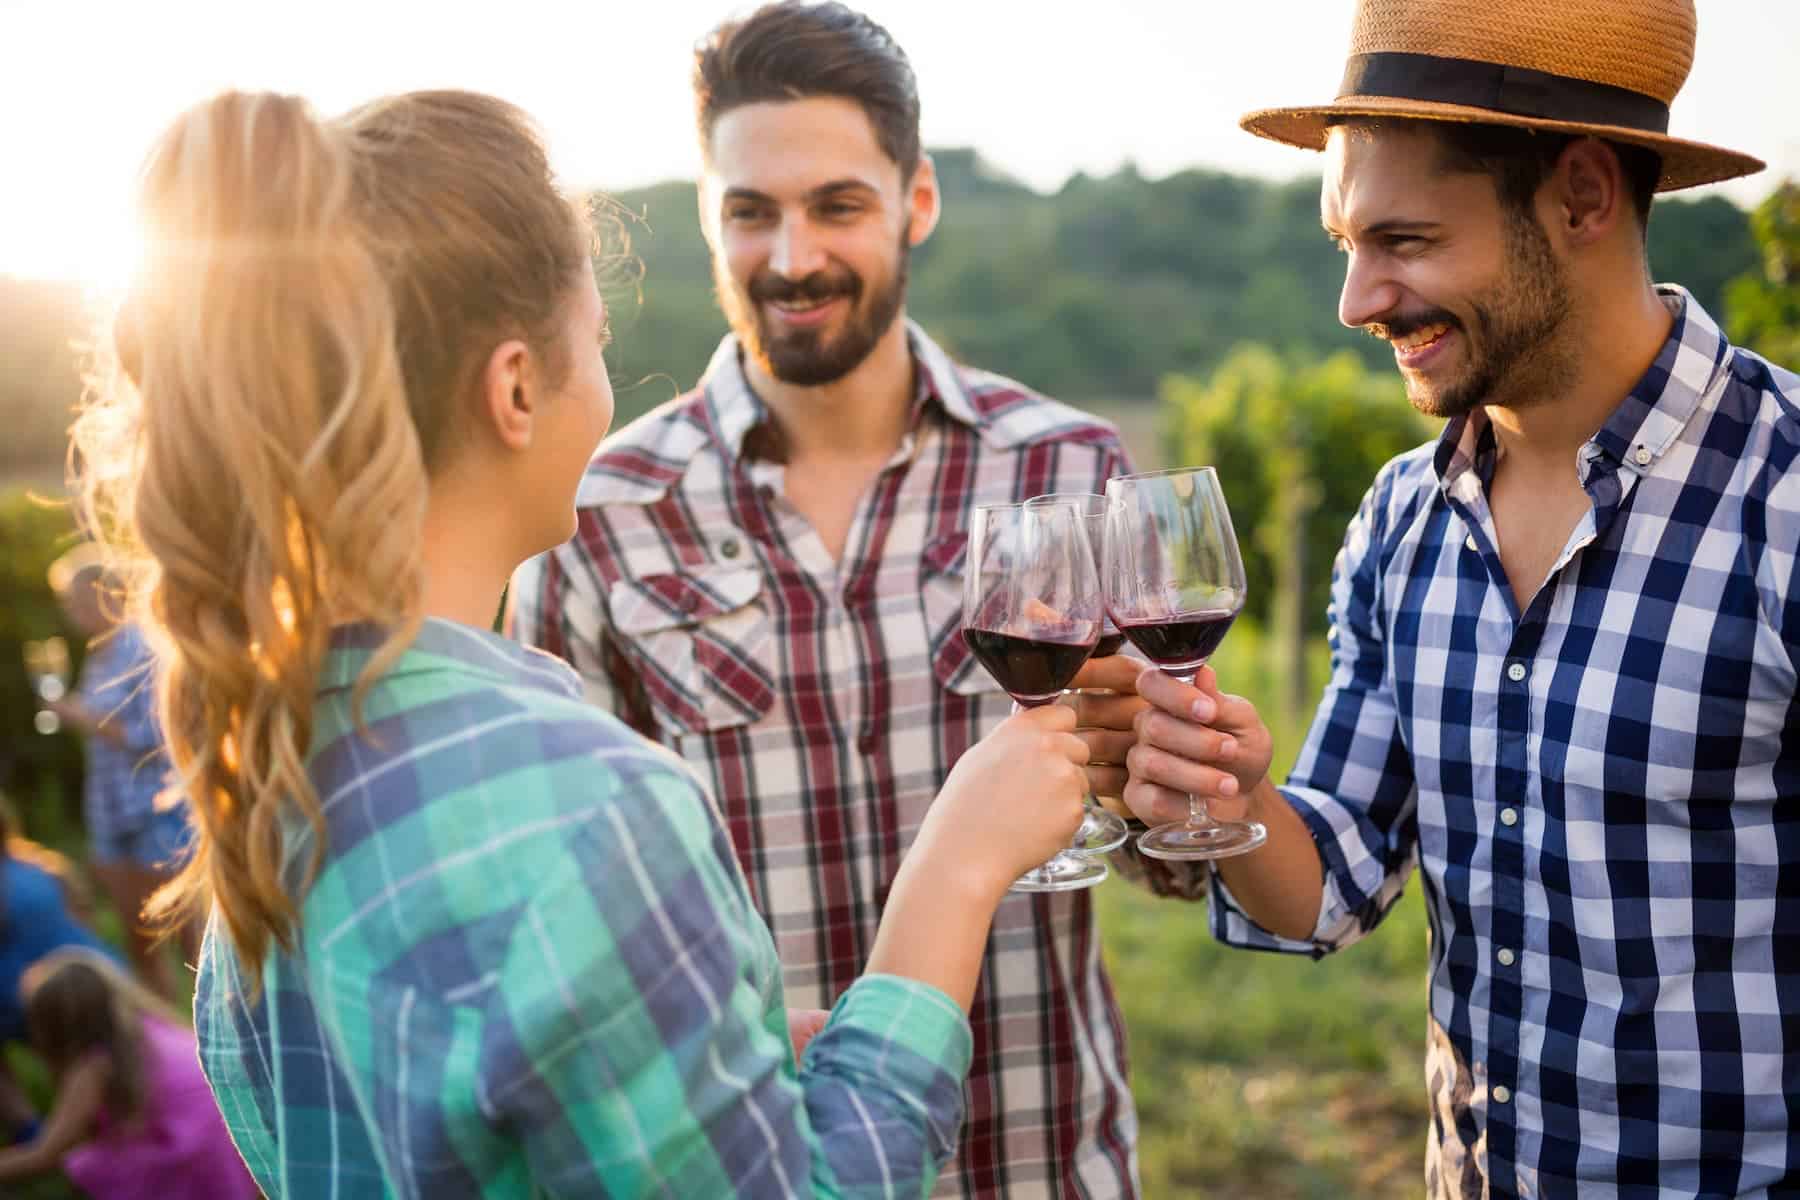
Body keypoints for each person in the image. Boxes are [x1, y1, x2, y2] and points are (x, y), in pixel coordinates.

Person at [76, 86, 1090, 1198]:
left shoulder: (272, 775)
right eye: (596, 341)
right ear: (515, 387)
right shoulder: (590, 810)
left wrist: (709, 1071)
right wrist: (957, 868)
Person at [1117, 0, 1797, 1196]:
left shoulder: (1786, 498)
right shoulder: (1400, 519)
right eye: (1347, 242)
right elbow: (1327, 879)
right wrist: (1229, 791)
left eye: (1407, 240)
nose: (1358, 299)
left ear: (1583, 197)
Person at [508, 4, 1147, 1194]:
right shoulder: (595, 513)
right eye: (750, 212)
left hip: (1039, 1158)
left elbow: (1153, 834)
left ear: (917, 201)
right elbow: (577, 921)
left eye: (837, 205)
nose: (791, 256)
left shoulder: (1067, 469)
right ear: (710, 217)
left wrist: (1178, 785)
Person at [44, 544, 196, 1001]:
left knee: (190, 936)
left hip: (155, 811)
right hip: (114, 812)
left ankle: (208, 1040)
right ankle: (169, 1040)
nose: (70, 612)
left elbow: (156, 733)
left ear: (103, 594)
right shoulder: (100, 655)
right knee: (140, 939)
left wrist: (80, 716)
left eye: (75, 600)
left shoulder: (141, 646)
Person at [0, 948, 257, 1198]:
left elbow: (46, 1154)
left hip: (198, 1160)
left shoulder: (94, 1066)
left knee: (86, 1164)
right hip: (242, 1148)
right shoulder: (150, 1027)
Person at [0, 803, 112, 1146]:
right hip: (102, 980)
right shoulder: (45, 868)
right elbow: (86, 922)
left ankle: (29, 1130)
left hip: (43, 999)